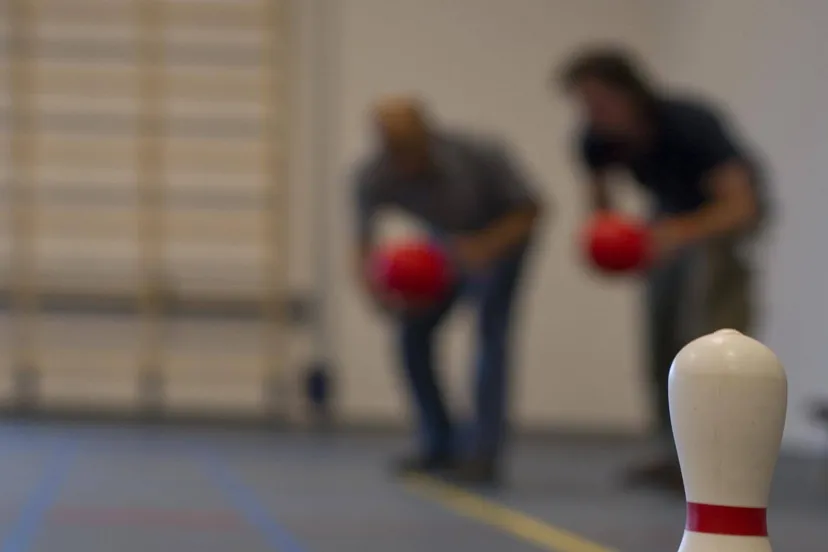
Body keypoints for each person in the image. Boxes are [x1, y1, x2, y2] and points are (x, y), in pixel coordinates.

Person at [558, 47, 769, 491]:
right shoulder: (595, 138)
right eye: (584, 104)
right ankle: (675, 455)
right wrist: (607, 247)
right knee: (662, 340)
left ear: (630, 92)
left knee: (710, 336)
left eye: (599, 102)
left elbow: (741, 207)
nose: (591, 113)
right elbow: (600, 212)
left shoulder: (689, 124)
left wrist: (677, 233)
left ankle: (723, 458)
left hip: (720, 222)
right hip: (668, 219)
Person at [353, 97, 544, 485]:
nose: (403, 159)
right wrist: (375, 290)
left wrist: (485, 247)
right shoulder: (372, 175)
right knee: (412, 335)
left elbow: (532, 210)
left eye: (409, 147)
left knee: (491, 339)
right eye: (393, 148)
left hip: (502, 241)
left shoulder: (478, 155)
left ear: (428, 134)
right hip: (445, 246)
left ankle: (483, 452)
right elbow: (362, 244)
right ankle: (439, 442)